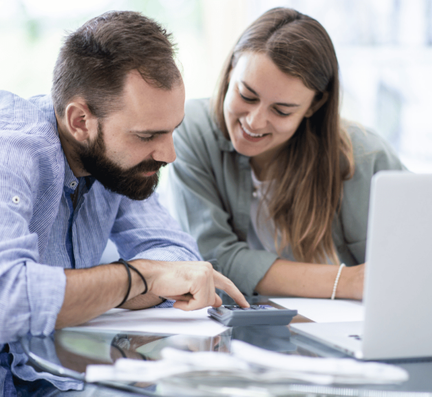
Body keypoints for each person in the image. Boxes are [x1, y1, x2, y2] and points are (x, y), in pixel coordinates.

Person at [0, 11, 248, 397]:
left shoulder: (115, 164)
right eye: (148, 135)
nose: (168, 153)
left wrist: (135, 280)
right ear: (80, 121)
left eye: (172, 130)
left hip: (39, 373)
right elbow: (2, 301)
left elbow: (178, 261)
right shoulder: (3, 154)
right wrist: (140, 277)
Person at [169, 7, 406, 300]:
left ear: (313, 106)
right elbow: (212, 261)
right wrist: (348, 282)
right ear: (231, 70)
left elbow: (415, 262)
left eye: (281, 110)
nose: (254, 122)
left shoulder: (366, 156)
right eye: (246, 95)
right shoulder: (191, 129)